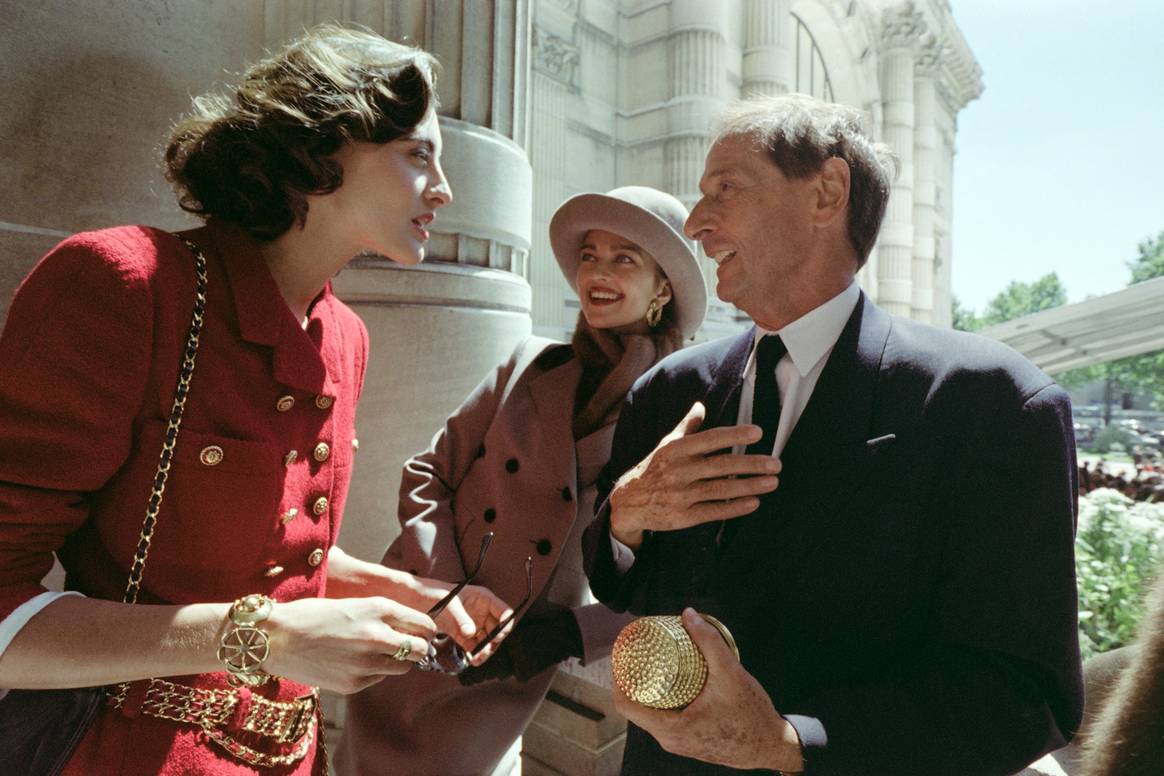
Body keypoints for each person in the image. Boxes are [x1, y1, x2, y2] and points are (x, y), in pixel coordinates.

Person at [0, 25, 511, 775]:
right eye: (419, 153)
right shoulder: (127, 286)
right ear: (323, 148)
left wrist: (402, 588)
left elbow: (260, 554)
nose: (444, 190)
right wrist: (264, 637)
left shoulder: (345, 337)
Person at [582, 94, 1084, 775]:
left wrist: (790, 744)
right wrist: (625, 520)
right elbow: (623, 592)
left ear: (827, 191)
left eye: (724, 190)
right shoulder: (668, 392)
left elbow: (1024, 696)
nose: (697, 224)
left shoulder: (993, 406)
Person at [336, 187, 709, 776]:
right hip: (422, 609)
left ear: (663, 287)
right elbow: (426, 473)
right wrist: (447, 592)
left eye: (624, 258)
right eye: (590, 255)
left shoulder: (677, 408)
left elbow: (677, 576)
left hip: (507, 656)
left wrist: (564, 635)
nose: (599, 272)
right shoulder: (528, 362)